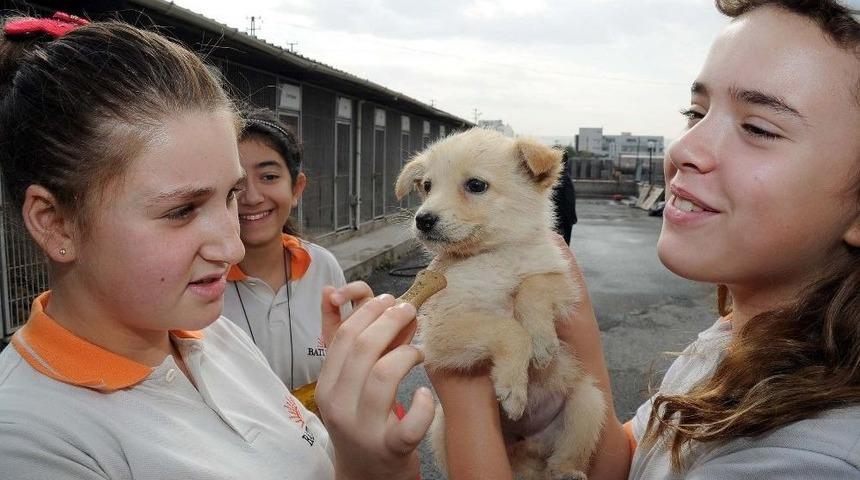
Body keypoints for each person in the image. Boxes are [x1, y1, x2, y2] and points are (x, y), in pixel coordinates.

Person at [433, 1, 860, 478]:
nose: (683, 148)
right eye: (695, 112)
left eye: (757, 128)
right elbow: (628, 460)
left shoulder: (806, 461)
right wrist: (577, 327)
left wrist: (457, 394)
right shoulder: (732, 342)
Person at [0, 13, 432, 480]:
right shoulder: (29, 440)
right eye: (182, 211)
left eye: (229, 195)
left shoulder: (214, 337)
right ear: (57, 224)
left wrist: (370, 453)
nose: (234, 247)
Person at [222, 107, 349, 392]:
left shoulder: (323, 267)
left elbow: (347, 370)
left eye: (269, 176)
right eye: (236, 183)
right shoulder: (200, 281)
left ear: (296, 189)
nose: (252, 197)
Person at [552, 149, 578, 244]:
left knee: (561, 250)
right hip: (564, 221)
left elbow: (567, 202)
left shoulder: (561, 178)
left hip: (562, 222)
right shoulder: (563, 176)